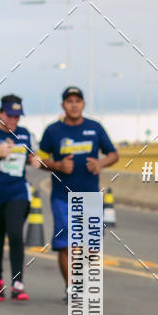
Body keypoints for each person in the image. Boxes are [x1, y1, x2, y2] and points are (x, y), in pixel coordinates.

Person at [38, 87, 118, 301]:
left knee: (91, 246)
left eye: (78, 101)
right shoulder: (53, 131)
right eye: (69, 101)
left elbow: (113, 154)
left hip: (90, 195)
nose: (74, 104)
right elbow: (39, 160)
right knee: (66, 244)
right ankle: (70, 287)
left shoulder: (95, 128)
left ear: (83, 104)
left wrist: (100, 163)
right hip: (62, 196)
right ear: (63, 105)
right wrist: (57, 165)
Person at [0, 94, 41, 301]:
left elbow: (35, 155)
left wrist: (36, 160)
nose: (14, 120)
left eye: (18, 116)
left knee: (15, 234)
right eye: (11, 115)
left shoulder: (25, 135)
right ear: (1, 114)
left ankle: (18, 283)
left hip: (17, 192)